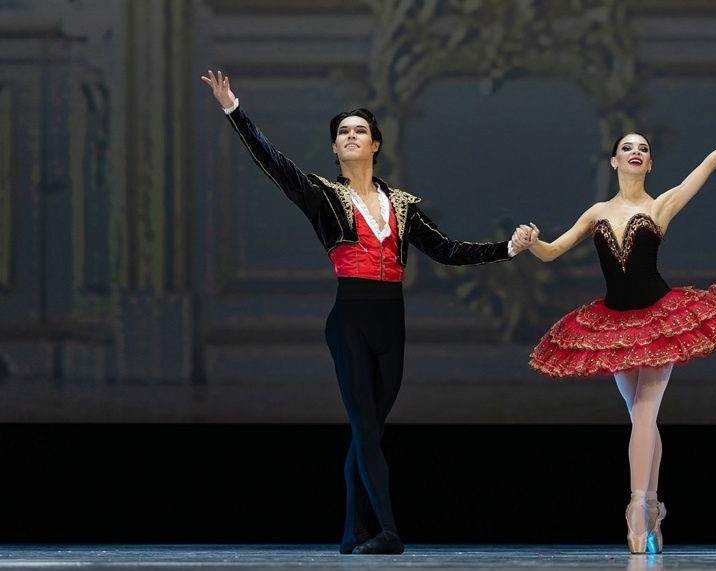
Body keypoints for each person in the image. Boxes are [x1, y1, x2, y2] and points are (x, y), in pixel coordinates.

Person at [201, 70, 533, 555]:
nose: (351, 137)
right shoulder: (321, 194)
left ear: (375, 144)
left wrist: (507, 248)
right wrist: (233, 109)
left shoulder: (402, 204)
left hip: (391, 321)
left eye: (359, 131)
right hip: (350, 320)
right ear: (335, 149)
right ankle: (390, 532)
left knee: (368, 432)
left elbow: (446, 250)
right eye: (343, 133)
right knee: (364, 427)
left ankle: (351, 531)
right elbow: (271, 161)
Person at [519, 87, 716, 554]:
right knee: (641, 418)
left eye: (643, 148)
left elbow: (708, 164)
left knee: (644, 413)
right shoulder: (598, 212)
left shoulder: (661, 206)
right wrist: (531, 242)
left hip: (661, 319)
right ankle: (655, 507)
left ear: (650, 163)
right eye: (627, 147)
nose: (635, 152)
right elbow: (553, 251)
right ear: (614, 161)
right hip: (612, 325)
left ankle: (637, 511)